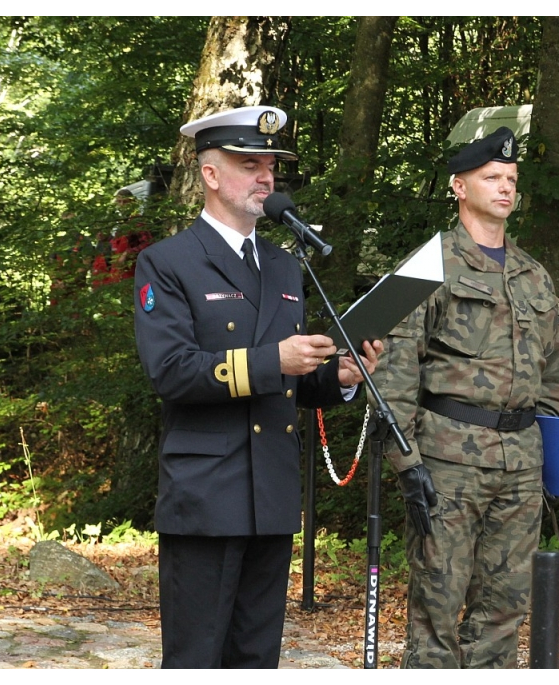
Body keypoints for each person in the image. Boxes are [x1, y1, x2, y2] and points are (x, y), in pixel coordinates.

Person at [133, 105, 382, 668]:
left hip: (270, 492)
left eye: (270, 165)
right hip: (206, 494)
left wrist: (337, 377)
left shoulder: (284, 265)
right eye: (249, 163)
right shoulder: (167, 262)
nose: (266, 176)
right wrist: (276, 360)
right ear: (211, 174)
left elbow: (289, 381)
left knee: (256, 658)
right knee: (197, 658)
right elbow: (170, 371)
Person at [373, 126, 559, 668]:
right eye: (492, 178)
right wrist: (406, 462)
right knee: (437, 606)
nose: (505, 188)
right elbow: (393, 372)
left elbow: (555, 376)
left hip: (519, 464)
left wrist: (552, 462)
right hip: (448, 463)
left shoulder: (534, 275)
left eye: (511, 179)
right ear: (460, 187)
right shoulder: (427, 267)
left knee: (505, 607)